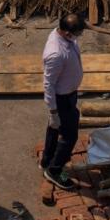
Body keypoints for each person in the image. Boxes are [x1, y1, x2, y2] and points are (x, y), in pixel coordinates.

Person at [41, 12, 85, 190]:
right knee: (69, 136)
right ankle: (54, 170)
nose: (79, 37)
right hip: (62, 100)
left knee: (54, 128)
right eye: (78, 34)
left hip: (69, 95)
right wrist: (53, 111)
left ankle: (47, 159)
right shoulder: (56, 54)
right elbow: (48, 84)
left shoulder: (64, 36)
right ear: (67, 33)